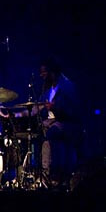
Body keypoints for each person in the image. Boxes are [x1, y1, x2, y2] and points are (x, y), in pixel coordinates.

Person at [36, 56, 83, 190]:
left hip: (67, 124)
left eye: (44, 72)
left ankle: (55, 174)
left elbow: (75, 111)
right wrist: (17, 113)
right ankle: (43, 172)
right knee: (36, 131)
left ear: (52, 72)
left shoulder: (68, 86)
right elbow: (37, 106)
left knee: (52, 132)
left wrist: (55, 109)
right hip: (53, 122)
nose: (42, 75)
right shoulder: (49, 90)